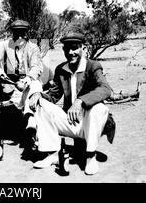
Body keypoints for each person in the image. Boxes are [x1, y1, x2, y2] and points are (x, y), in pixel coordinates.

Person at [28, 30, 116, 175]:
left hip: (90, 123)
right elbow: (53, 96)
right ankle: (53, 154)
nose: (71, 52)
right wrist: (38, 95)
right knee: (41, 104)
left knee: (99, 108)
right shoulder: (61, 69)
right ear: (63, 50)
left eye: (75, 47)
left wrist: (80, 101)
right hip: (71, 121)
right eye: (67, 48)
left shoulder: (92, 66)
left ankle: (91, 156)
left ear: (84, 48)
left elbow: (106, 89)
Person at [0, 19, 43, 145]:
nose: (20, 37)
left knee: (35, 86)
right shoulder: (6, 45)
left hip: (27, 83)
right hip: (10, 84)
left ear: (27, 33)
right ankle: (27, 124)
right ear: (12, 34)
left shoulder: (33, 48)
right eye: (17, 33)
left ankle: (31, 123)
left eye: (23, 33)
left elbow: (36, 67)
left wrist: (27, 79)